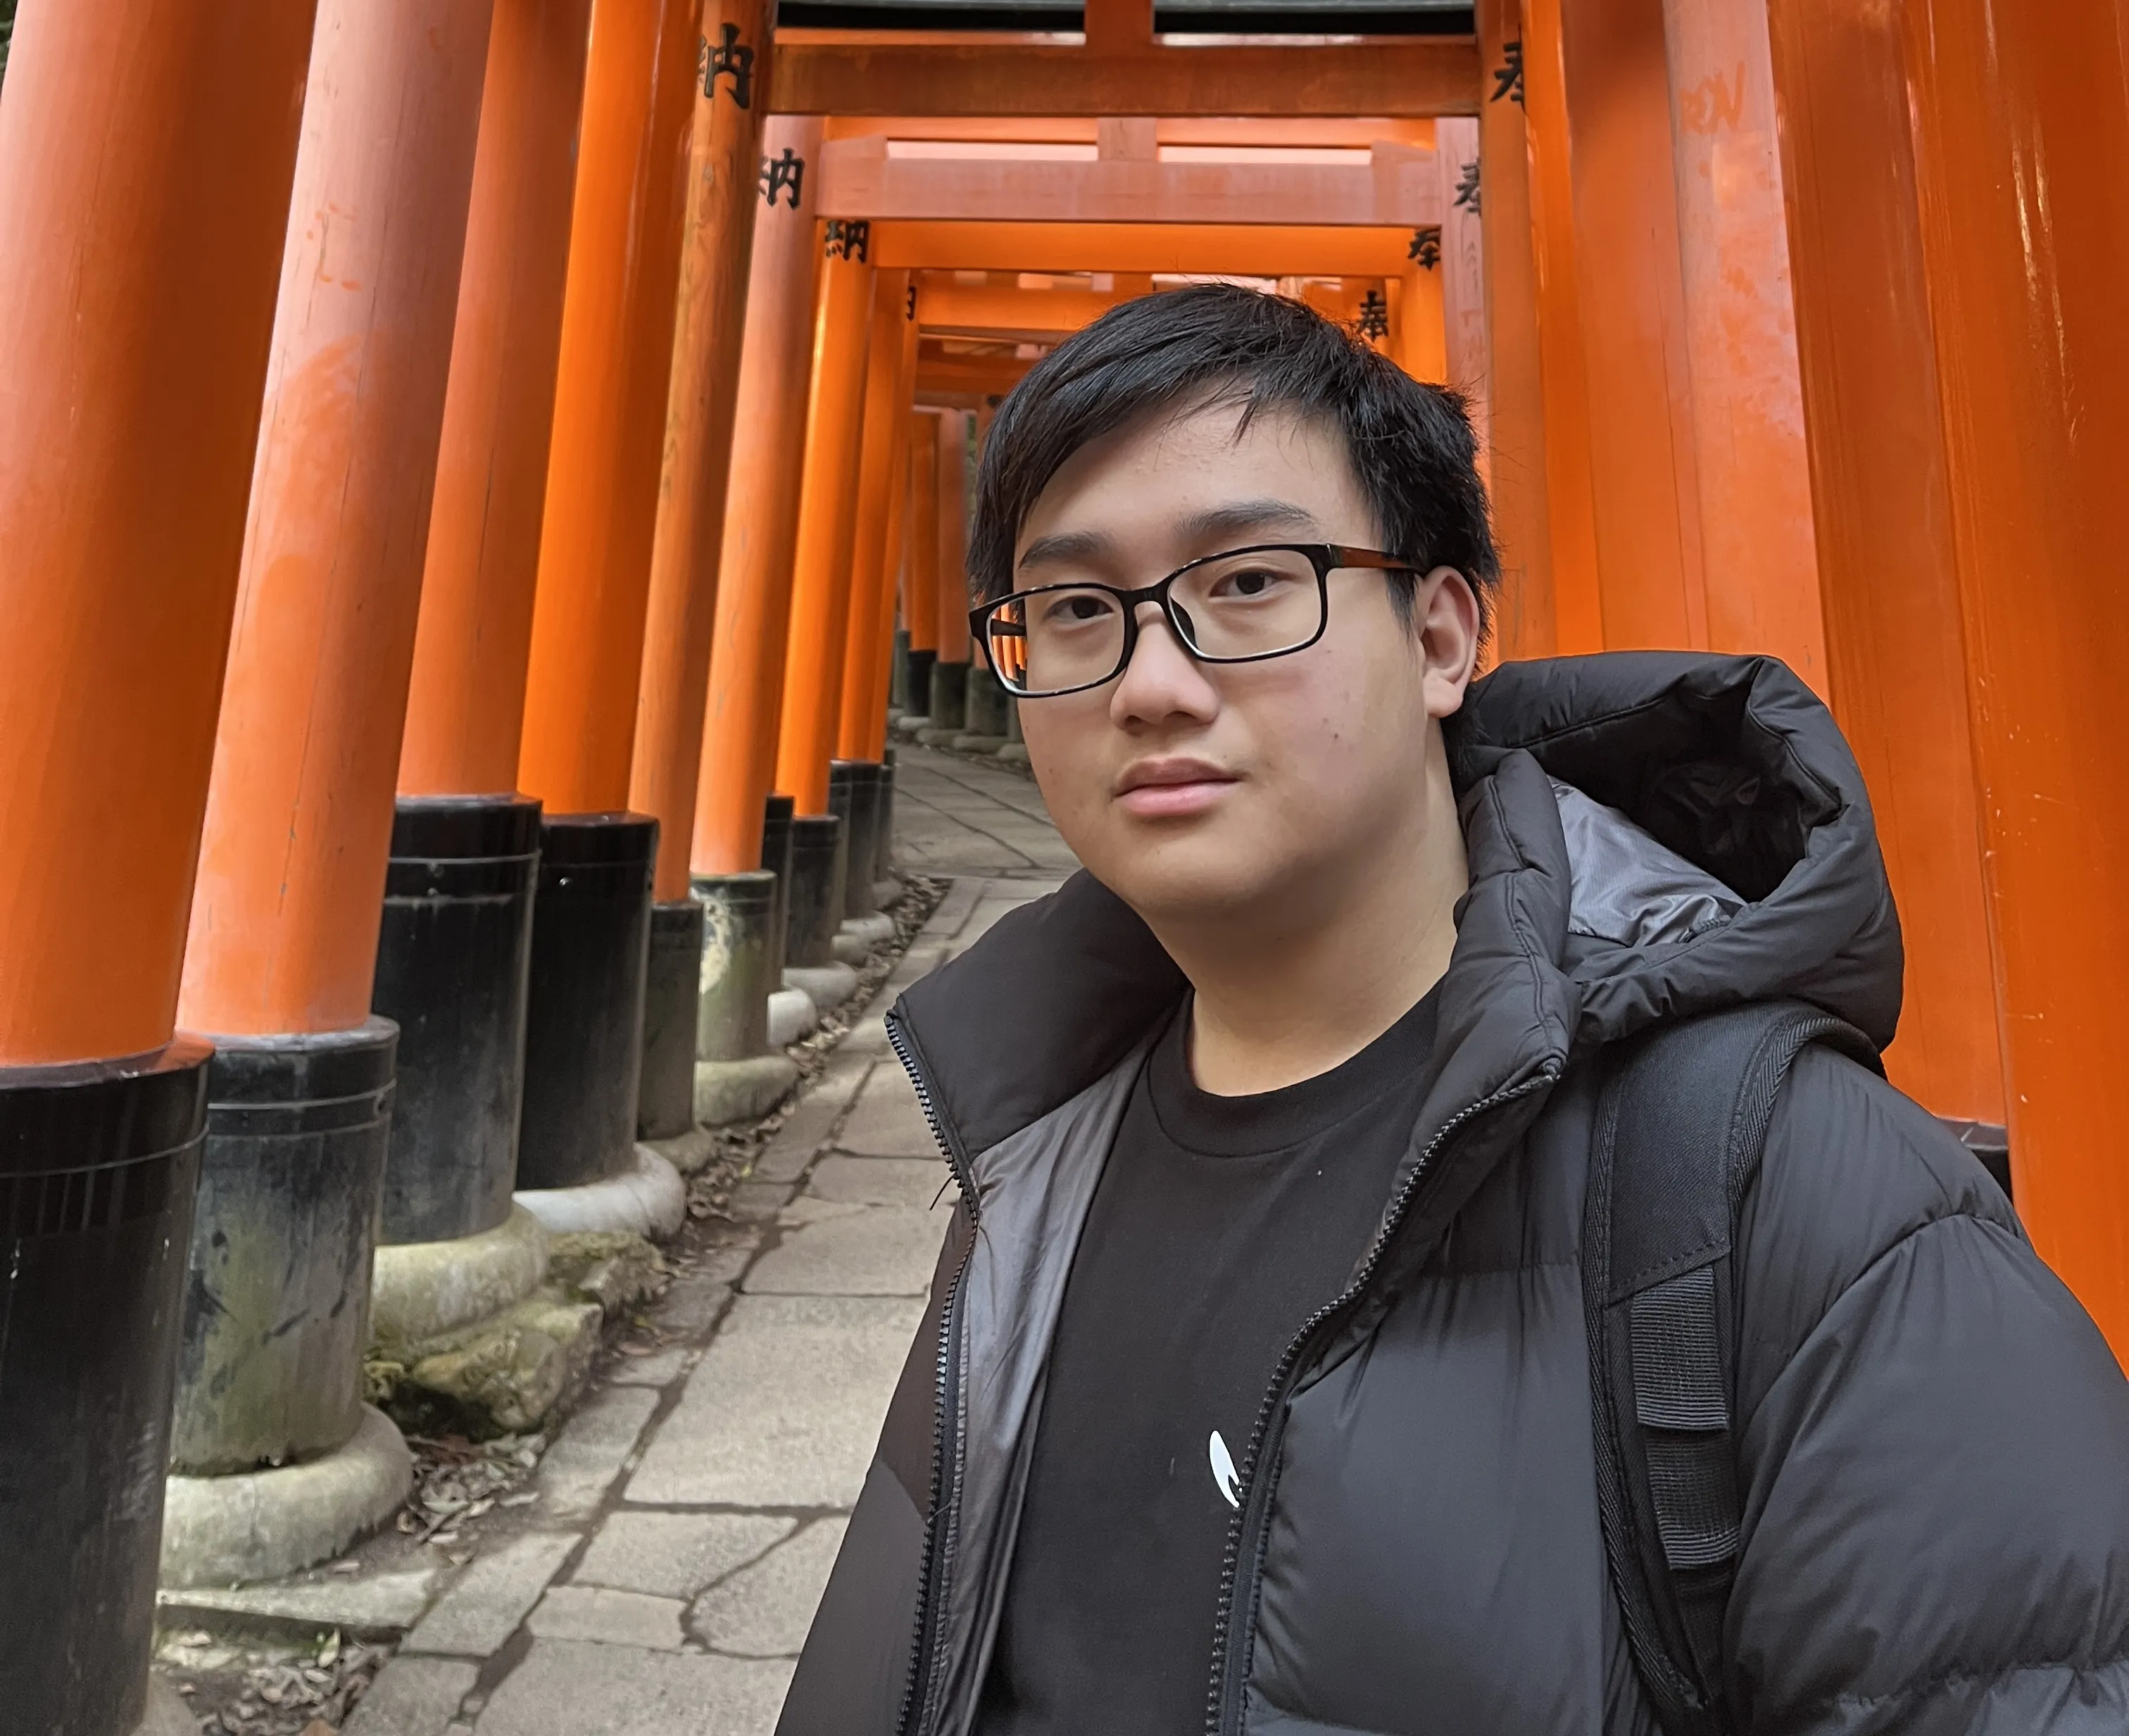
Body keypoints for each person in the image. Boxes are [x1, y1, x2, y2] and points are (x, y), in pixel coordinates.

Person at [779, 284, 2129, 1736]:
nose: (1151, 684)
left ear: (1442, 636)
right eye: (1076, 611)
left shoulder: (1799, 1197)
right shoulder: (1036, 1143)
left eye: (1247, 583)